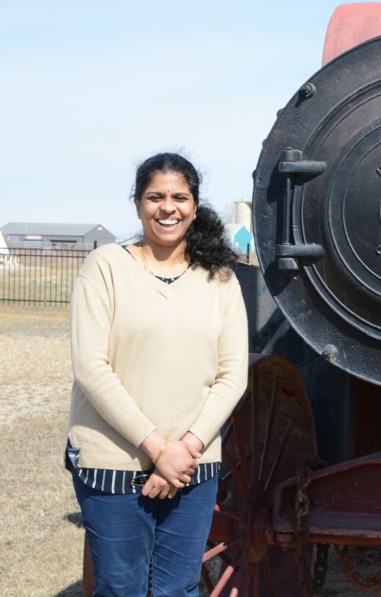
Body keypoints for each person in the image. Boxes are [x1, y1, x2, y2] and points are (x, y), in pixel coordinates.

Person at [65, 152, 248, 596]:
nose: (168, 207)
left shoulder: (220, 279)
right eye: (155, 197)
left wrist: (184, 449)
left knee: (179, 590)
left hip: (192, 469)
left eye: (179, 197)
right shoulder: (106, 267)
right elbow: (92, 367)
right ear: (138, 204)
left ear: (194, 204)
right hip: (115, 463)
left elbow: (233, 375)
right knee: (121, 589)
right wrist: (155, 447)